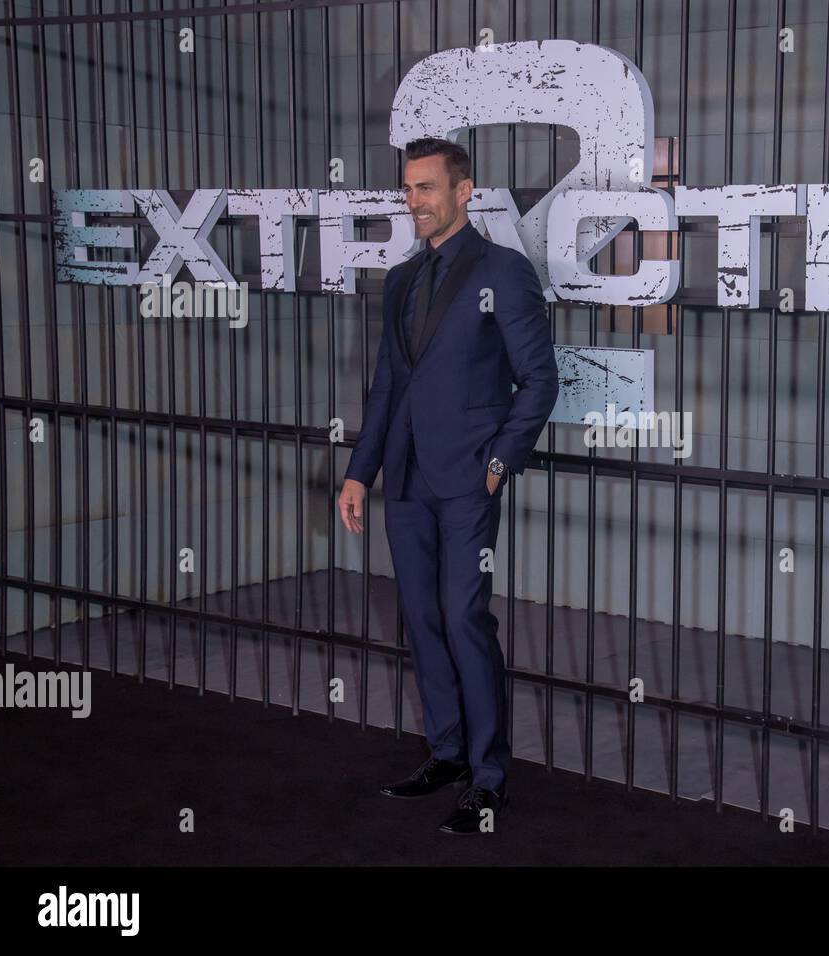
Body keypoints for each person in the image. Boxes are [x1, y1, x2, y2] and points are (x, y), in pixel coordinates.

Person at [337, 137, 559, 835]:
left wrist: (499, 462)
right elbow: (387, 389)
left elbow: (540, 380)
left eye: (426, 188)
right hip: (403, 477)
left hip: (467, 479)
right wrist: (358, 471)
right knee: (422, 619)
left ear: (464, 191)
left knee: (464, 618)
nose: (414, 201)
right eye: (408, 189)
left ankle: (489, 779)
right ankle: (448, 752)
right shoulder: (402, 279)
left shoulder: (507, 272)